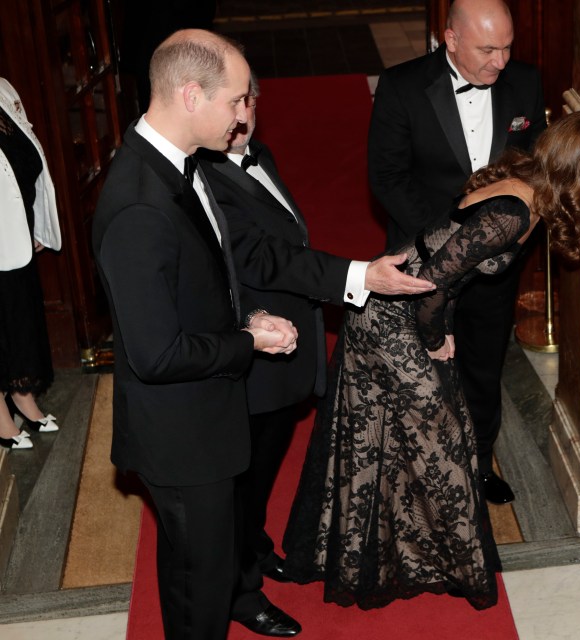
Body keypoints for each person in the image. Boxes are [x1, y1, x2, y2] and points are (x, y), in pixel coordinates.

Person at [283, 110, 580, 611]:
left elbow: (448, 272)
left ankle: (401, 555)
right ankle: (456, 563)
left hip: (403, 315)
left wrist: (439, 325)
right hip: (387, 320)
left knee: (408, 434)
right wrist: (435, 334)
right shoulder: (514, 211)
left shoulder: (528, 185)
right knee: (445, 435)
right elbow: (431, 283)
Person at [197, 73, 435, 625]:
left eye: (249, 100)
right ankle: (239, 592)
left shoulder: (259, 153)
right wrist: (359, 276)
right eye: (233, 103)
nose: (243, 115)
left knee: (263, 464)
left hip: (287, 347)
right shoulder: (203, 177)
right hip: (254, 346)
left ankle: (252, 546)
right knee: (240, 477)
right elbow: (262, 260)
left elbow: (289, 240)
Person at [92, 30, 301, 640]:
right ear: (190, 95)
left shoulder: (179, 164)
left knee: (202, 569)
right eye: (236, 101)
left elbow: (196, 284)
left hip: (204, 418)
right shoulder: (139, 205)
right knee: (197, 593)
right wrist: (251, 344)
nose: (245, 116)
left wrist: (243, 319)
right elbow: (155, 355)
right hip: (180, 436)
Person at [367, 0, 547, 504]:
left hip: (493, 270)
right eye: (488, 49)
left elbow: (533, 167)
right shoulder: (402, 86)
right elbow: (387, 177)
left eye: (508, 46)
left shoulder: (526, 83)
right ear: (449, 39)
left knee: (484, 369)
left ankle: (477, 463)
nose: (501, 61)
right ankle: (415, 475)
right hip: (422, 263)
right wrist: (452, 238)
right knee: (420, 371)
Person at [0, 77, 62, 450]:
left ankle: (22, 394)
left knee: (20, 313)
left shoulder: (4, 88)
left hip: (16, 228)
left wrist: (37, 220)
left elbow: (28, 156)